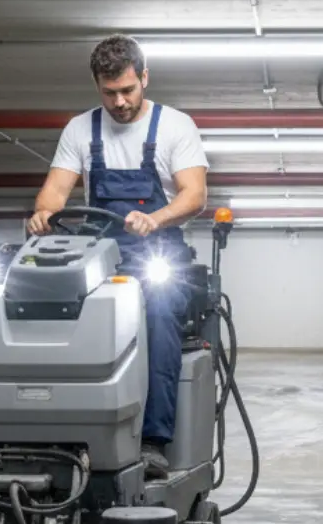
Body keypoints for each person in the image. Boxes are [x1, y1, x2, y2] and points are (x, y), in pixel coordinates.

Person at [27, 34, 209, 475]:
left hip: (158, 253)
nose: (120, 101)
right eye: (109, 93)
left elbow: (196, 195)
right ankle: (65, 432)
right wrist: (42, 214)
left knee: (160, 315)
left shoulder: (174, 126)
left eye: (128, 90)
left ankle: (153, 439)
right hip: (99, 255)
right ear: (97, 86)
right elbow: (54, 191)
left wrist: (157, 218)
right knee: (56, 313)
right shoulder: (80, 129)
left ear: (144, 78)